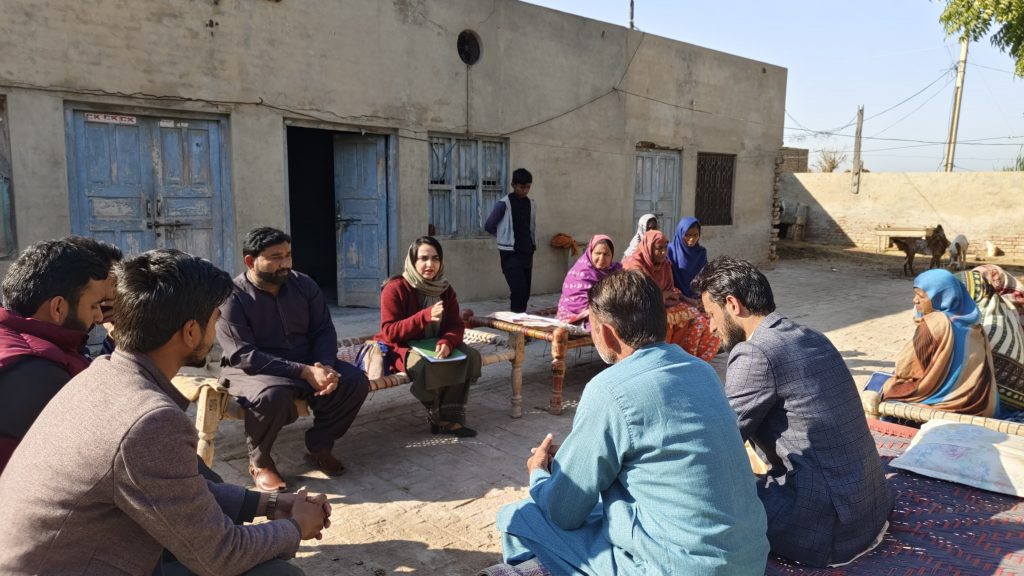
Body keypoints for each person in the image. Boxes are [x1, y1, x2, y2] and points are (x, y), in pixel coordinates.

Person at [0, 249, 330, 575]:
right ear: (190, 332)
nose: (216, 332)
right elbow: (221, 554)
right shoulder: (150, 420)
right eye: (215, 320)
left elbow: (176, 489)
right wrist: (297, 526)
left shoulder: (101, 373)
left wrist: (269, 504)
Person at [496, 270, 769, 575]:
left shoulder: (608, 390)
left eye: (593, 327)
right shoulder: (702, 372)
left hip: (674, 566)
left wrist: (539, 474)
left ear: (608, 334)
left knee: (516, 518)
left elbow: (564, 512)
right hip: (748, 559)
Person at [691, 256, 892, 568]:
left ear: (733, 304)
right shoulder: (809, 334)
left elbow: (718, 442)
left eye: (711, 315)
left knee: (699, 501)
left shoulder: (755, 352)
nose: (712, 327)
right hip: (869, 508)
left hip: (828, 527)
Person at [217, 227, 369, 492]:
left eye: (288, 255)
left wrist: (325, 366)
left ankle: (319, 446)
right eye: (276, 257)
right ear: (251, 262)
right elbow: (243, 355)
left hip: (306, 361)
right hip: (252, 370)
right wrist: (304, 372)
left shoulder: (304, 285)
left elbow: (323, 329)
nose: (285, 263)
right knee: (272, 396)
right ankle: (260, 462)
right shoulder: (231, 298)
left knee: (354, 381)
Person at [0, 238, 110, 472]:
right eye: (93, 306)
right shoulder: (35, 372)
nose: (100, 317)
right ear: (58, 307)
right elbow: (111, 454)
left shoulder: (19, 345)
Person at [374, 236, 482, 437]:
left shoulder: (445, 289)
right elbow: (389, 332)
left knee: (470, 357)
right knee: (428, 367)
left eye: (435, 258)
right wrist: (424, 316)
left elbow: (455, 325)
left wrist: (448, 342)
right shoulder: (395, 288)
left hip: (435, 345)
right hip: (402, 347)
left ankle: (450, 418)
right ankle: (439, 417)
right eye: (423, 258)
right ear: (413, 261)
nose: (429, 264)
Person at [881, 269, 1000, 417]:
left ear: (941, 297)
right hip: (982, 406)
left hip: (947, 406)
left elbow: (904, 368)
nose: (915, 300)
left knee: (884, 387)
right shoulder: (975, 325)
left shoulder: (935, 323)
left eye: (921, 296)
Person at [622, 229, 720, 361]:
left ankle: (693, 359)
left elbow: (672, 291)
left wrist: (672, 296)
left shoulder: (665, 263)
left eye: (665, 248)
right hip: (640, 308)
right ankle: (665, 359)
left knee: (704, 321)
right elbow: (640, 296)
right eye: (658, 248)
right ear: (648, 248)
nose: (663, 252)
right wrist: (664, 295)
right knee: (668, 321)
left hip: (666, 303)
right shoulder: (635, 265)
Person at [484, 168, 537, 313]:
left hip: (527, 253)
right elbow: (489, 226)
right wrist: (503, 235)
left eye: (528, 187)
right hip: (510, 255)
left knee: (525, 294)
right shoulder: (504, 204)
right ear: (513, 184)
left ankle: (522, 327)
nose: (525, 190)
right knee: (518, 292)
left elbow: (530, 227)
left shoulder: (531, 204)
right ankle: (515, 330)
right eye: (522, 187)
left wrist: (532, 245)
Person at [556, 235, 622, 326]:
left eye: (606, 254)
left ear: (612, 256)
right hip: (578, 317)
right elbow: (580, 304)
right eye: (598, 253)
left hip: (605, 312)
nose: (601, 258)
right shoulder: (581, 273)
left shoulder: (615, 270)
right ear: (590, 253)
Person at [667, 216, 707, 306]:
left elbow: (704, 278)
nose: (692, 239)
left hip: (697, 297)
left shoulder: (701, 253)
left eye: (695, 235)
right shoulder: (670, 251)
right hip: (675, 298)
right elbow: (668, 282)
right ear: (680, 233)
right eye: (688, 235)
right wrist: (686, 299)